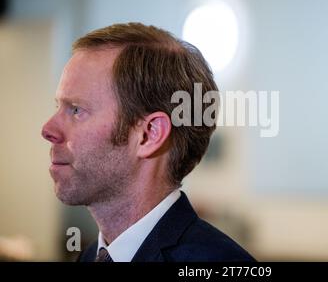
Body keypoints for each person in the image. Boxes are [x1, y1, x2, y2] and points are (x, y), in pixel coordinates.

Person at [41, 22, 255, 262]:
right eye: (58, 106)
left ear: (149, 134)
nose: (48, 129)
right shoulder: (90, 257)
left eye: (77, 110)